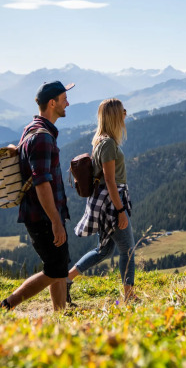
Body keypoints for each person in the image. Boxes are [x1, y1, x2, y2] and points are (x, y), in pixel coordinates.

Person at [0, 81, 74, 311]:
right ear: (52, 103)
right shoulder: (42, 137)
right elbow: (41, 183)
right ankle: (5, 305)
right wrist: (55, 221)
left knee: (58, 266)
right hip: (43, 216)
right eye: (64, 99)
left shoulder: (33, 129)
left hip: (41, 213)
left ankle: (60, 313)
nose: (68, 103)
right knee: (55, 270)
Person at [71, 98, 137, 303]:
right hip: (111, 202)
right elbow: (109, 180)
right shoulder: (108, 144)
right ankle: (129, 295)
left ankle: (66, 279)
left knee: (104, 250)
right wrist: (120, 210)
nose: (125, 114)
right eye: (122, 111)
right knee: (128, 250)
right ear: (114, 116)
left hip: (105, 201)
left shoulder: (101, 140)